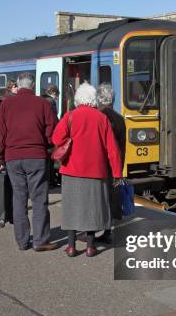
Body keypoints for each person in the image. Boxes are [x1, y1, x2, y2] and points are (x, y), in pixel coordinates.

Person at [51, 82, 122, 257]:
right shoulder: (101, 118)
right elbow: (112, 149)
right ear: (93, 99)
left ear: (78, 99)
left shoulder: (70, 116)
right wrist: (117, 172)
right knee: (92, 209)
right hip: (95, 171)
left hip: (71, 170)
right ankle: (90, 247)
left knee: (71, 209)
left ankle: (71, 246)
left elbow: (56, 138)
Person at [0, 72, 58, 251]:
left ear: (19, 86)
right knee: (39, 199)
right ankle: (40, 240)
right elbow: (52, 131)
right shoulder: (43, 104)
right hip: (36, 156)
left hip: (13, 158)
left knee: (19, 198)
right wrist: (47, 143)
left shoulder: (6, 105)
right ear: (33, 85)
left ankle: (22, 241)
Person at [96, 83, 127, 244]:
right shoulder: (120, 119)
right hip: (114, 164)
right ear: (113, 99)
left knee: (97, 196)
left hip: (97, 164)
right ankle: (108, 230)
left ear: (97, 98)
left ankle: (92, 231)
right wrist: (119, 168)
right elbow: (122, 146)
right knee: (112, 196)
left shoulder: (96, 116)